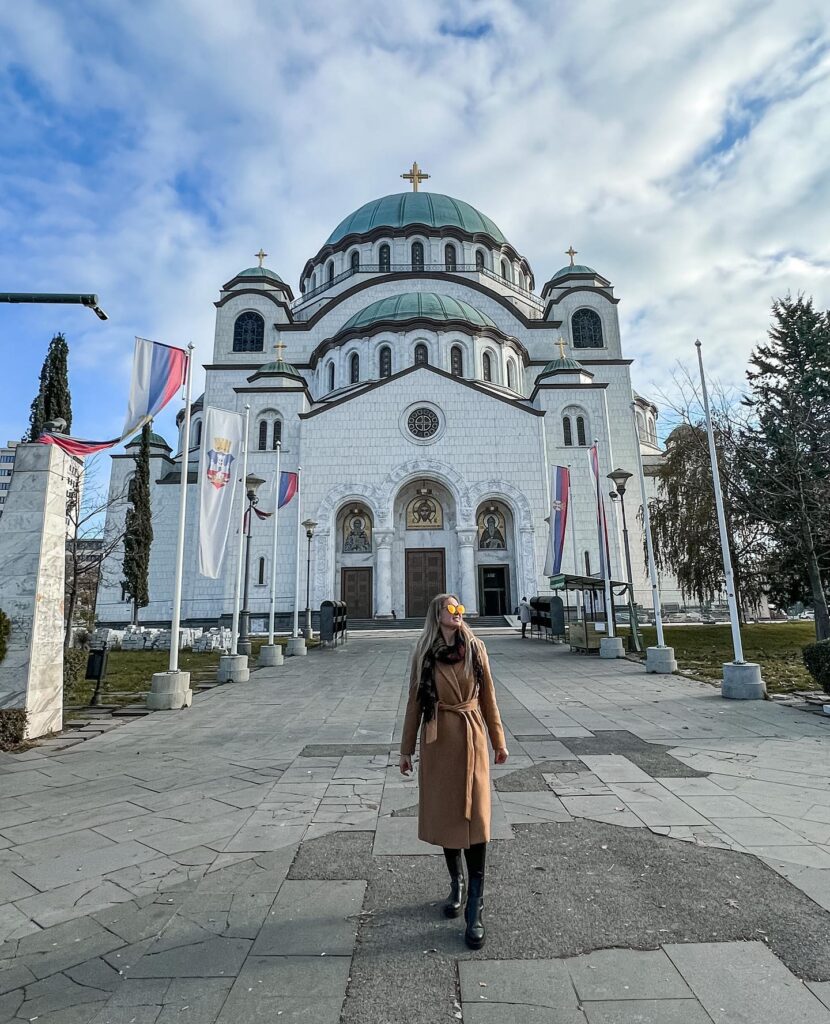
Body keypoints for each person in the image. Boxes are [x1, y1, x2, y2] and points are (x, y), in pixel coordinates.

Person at [399, 594, 509, 949]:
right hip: (438, 740)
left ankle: (475, 908)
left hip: (472, 736)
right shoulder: (425, 654)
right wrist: (405, 750)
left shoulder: (476, 649)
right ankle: (456, 884)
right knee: (447, 817)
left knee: (476, 818)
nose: (458, 613)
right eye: (451, 608)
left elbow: (489, 697)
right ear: (437, 615)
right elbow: (415, 703)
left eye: (461, 608)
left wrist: (499, 741)